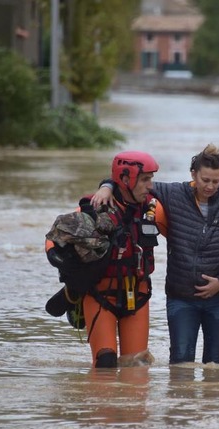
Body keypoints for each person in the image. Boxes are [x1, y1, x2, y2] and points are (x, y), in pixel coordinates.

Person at [92, 144, 219, 365]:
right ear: (193, 175)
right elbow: (133, 183)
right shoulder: (172, 194)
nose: (210, 186)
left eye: (216, 181)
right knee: (180, 366)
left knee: (217, 368)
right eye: (205, 180)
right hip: (181, 299)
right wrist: (106, 187)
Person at [45, 151, 162, 368]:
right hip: (100, 296)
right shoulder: (95, 207)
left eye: (151, 179)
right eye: (145, 179)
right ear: (126, 179)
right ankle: (99, 401)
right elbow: (54, 237)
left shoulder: (153, 209)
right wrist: (59, 260)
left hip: (138, 296)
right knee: (105, 363)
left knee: (136, 366)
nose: (150, 185)